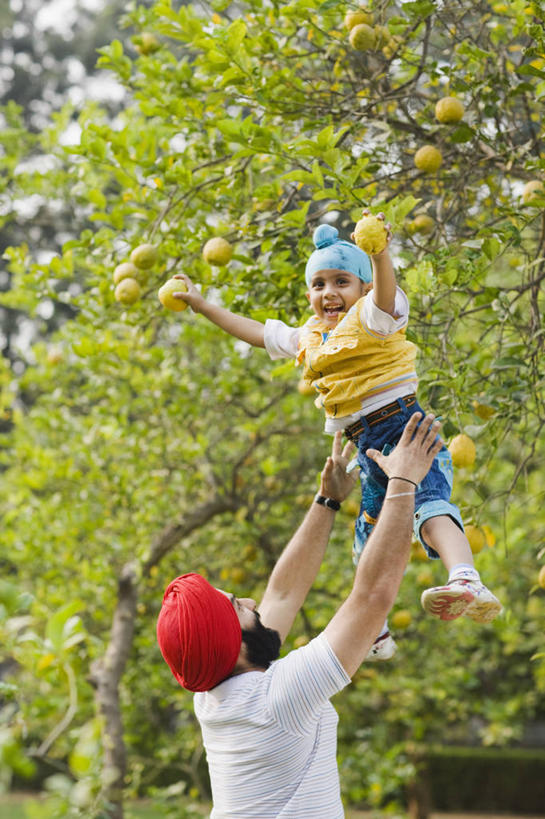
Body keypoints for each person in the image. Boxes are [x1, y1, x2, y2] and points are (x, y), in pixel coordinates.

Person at [171, 216, 502, 660]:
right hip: (366, 447)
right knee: (366, 535)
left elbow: (386, 293)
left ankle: (466, 577)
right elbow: (254, 331)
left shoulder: (372, 318)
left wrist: (380, 253)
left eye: (342, 281)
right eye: (319, 284)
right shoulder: (311, 337)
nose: (329, 293)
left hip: (405, 430)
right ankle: (375, 630)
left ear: (362, 288)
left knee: (429, 505)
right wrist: (201, 305)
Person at [157, 414, 445, 818]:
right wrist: (404, 482)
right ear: (234, 644)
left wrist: (326, 500)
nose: (253, 604)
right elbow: (372, 598)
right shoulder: (276, 700)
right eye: (240, 606)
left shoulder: (213, 696)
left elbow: (284, 592)